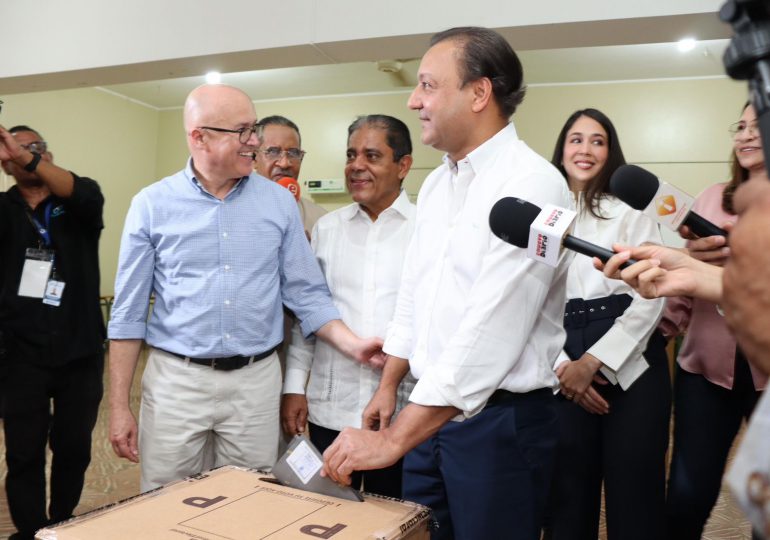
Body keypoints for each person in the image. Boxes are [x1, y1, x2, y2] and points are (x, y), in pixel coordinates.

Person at [321, 27, 571, 540]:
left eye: (429, 86)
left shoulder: (534, 184)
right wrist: (390, 385)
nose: (414, 101)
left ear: (479, 93)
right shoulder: (437, 183)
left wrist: (394, 442)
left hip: (499, 424)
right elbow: (416, 295)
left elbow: (493, 329)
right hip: (428, 414)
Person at [107, 84, 384, 492]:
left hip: (255, 384)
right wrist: (118, 407)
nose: (254, 141)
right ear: (200, 136)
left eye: (253, 129)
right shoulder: (151, 205)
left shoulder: (278, 204)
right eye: (242, 131)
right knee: (165, 501)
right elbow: (128, 315)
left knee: (250, 499)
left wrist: (351, 343)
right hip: (176, 383)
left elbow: (307, 293)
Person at [542, 109, 669, 540]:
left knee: (635, 493)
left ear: (610, 152)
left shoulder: (632, 211)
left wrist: (593, 362)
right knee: (567, 497)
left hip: (628, 353)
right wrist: (564, 367)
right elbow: (529, 299)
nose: (585, 149)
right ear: (561, 150)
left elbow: (651, 295)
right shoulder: (544, 215)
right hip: (560, 355)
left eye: (597, 141)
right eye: (576, 139)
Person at [282, 114, 416, 498]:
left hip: (400, 414)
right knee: (327, 515)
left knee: (393, 517)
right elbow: (309, 316)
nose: (356, 166)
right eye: (351, 155)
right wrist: (294, 386)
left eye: (372, 156)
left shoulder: (427, 230)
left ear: (402, 165)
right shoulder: (328, 228)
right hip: (331, 406)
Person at [661, 103, 766, 540]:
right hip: (704, 372)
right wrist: (659, 331)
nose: (745, 135)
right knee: (688, 493)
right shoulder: (710, 198)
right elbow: (685, 283)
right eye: (740, 126)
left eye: (758, 125)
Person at [0, 125, 105, 540]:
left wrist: (24, 153)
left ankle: (62, 522)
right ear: (4, 164)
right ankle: (31, 532)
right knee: (23, 453)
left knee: (73, 448)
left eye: (36, 149)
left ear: (47, 154)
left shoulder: (80, 199)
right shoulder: (4, 208)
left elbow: (81, 192)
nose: (28, 155)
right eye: (17, 150)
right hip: (18, 355)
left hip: (79, 351)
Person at [254, 115, 326, 238]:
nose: (285, 163)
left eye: (293, 153)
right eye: (273, 151)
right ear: (254, 158)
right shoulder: (232, 212)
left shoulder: (321, 221)